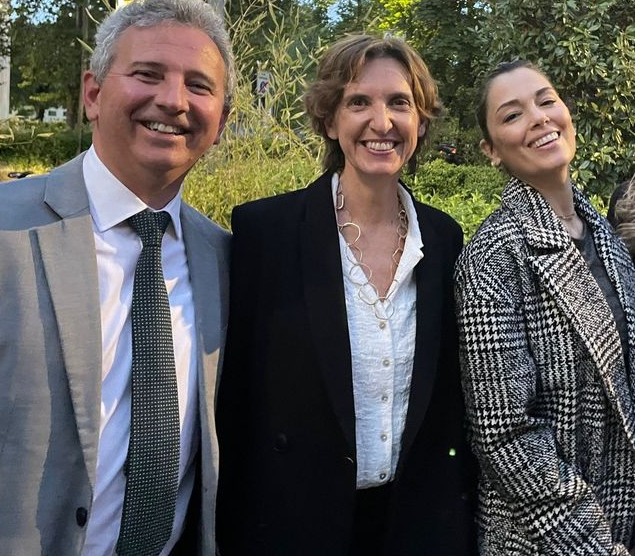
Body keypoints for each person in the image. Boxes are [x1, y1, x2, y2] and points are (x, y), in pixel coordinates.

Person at [0, 0, 233, 556]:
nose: (172, 99)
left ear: (222, 120)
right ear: (93, 93)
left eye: (199, 85)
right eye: (147, 74)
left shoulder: (224, 260)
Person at [216, 34, 476, 556]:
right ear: (331, 121)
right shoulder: (265, 233)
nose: (382, 122)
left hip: (414, 528)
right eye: (359, 102)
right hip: (296, 527)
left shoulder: (444, 239)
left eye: (399, 103)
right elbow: (236, 403)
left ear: (420, 122)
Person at [456, 59, 635, 555]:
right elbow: (506, 436)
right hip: (549, 540)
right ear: (492, 151)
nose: (538, 118)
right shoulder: (493, 256)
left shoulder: (604, 235)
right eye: (512, 115)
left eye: (546, 101)